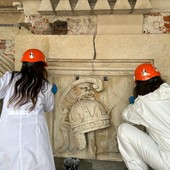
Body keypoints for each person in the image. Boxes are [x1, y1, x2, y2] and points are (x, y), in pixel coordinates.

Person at [0, 49, 57, 170]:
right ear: (41, 66)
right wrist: (53, 93)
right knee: (37, 160)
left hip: (9, 127)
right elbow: (49, 107)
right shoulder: (45, 85)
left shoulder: (10, 77)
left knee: (9, 158)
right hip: (34, 127)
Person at [117, 63, 170, 170]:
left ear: (138, 84)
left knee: (123, 129)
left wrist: (133, 104)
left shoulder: (142, 104)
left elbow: (126, 116)